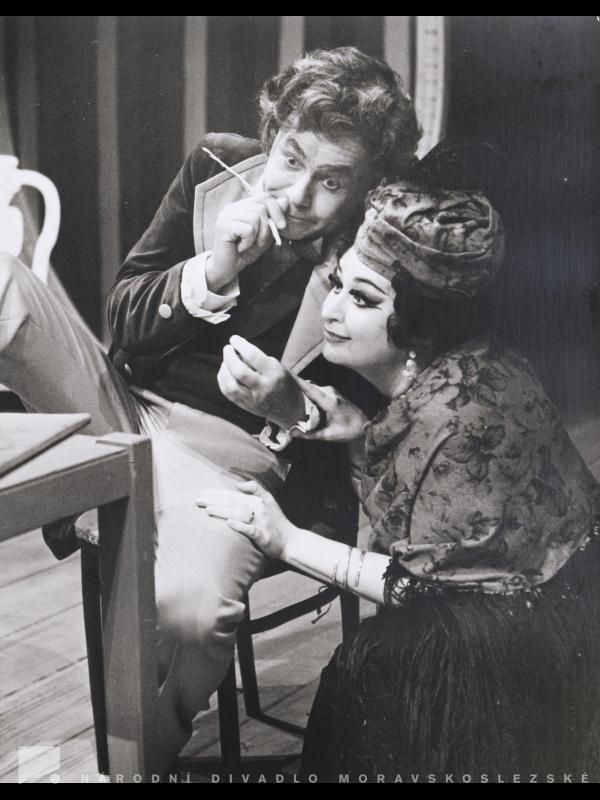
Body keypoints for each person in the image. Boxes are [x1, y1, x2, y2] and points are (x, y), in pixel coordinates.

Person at [0, 47, 420, 770]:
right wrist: (214, 268)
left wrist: (296, 407)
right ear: (272, 136)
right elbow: (123, 319)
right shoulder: (214, 169)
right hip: (122, 412)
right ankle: (108, 492)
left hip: (236, 474)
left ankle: (129, 769)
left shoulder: (379, 254)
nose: (297, 195)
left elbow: (393, 414)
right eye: (291, 159)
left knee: (192, 616)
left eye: (330, 181)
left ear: (365, 189)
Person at [198, 178, 600, 779]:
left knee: (374, 668)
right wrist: (323, 419)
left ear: (418, 325)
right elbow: (412, 465)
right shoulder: (468, 363)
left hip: (521, 635)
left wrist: (284, 539)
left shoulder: (463, 415)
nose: (331, 310)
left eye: (362, 299)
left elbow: (420, 587)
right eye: (337, 284)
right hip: (540, 593)